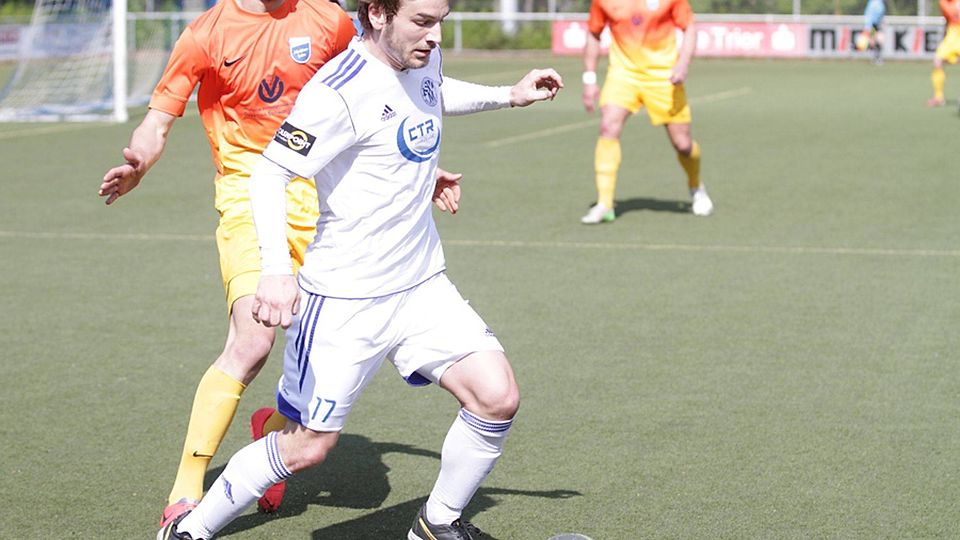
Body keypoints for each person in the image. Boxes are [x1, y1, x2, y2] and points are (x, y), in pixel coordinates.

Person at [156, 0, 563, 537]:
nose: (435, 36)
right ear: (376, 14)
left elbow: (432, 94)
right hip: (345, 299)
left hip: (422, 285)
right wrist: (276, 272)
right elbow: (268, 174)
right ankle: (189, 528)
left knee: (497, 396)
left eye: (441, 20)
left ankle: (436, 524)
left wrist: (509, 96)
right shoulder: (336, 91)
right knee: (306, 448)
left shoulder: (421, 57)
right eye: (422, 21)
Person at [97, 0, 463, 528]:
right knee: (252, 341)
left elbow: (380, 88)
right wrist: (138, 163)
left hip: (328, 200)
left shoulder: (329, 18)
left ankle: (278, 428)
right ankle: (187, 490)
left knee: (327, 342)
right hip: (252, 196)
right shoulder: (205, 34)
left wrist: (417, 170)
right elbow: (159, 119)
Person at [579, 0, 713, 224]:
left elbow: (689, 26)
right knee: (608, 126)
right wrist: (589, 79)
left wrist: (683, 63)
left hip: (664, 76)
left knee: (683, 144)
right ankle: (604, 203)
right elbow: (594, 33)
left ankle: (696, 186)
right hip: (623, 75)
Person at [928, 0, 960, 107]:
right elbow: (947, 20)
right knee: (938, 61)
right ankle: (938, 97)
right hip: (952, 33)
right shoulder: (943, 2)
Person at [860, 0, 885, 65]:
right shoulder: (875, 3)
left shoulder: (876, 3)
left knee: (877, 40)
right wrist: (868, 27)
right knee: (875, 40)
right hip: (873, 25)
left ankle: (876, 57)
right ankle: (876, 58)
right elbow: (870, 16)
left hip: (875, 25)